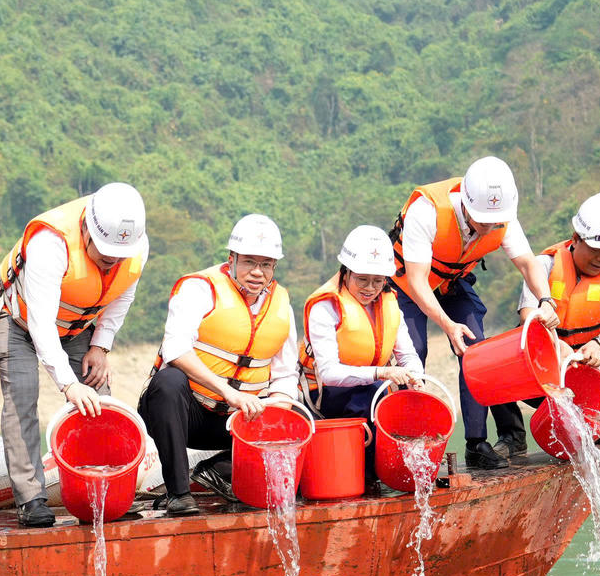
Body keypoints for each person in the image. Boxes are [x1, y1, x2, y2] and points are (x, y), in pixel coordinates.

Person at [0, 182, 148, 528]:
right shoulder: (50, 244)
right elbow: (39, 324)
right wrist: (69, 386)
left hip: (74, 325)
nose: (112, 261)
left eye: (118, 256)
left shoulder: (134, 244)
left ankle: (105, 493)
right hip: (16, 320)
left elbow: (121, 297)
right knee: (23, 395)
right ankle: (31, 499)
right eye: (104, 255)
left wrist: (101, 346)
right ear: (85, 228)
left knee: (98, 395)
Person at [388, 156, 558, 470]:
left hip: (451, 283)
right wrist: (447, 324)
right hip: (407, 285)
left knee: (475, 348)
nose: (491, 228)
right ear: (466, 204)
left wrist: (546, 299)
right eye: (484, 222)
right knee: (412, 354)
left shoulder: (501, 217)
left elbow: (527, 263)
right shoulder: (427, 212)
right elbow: (416, 281)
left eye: (496, 223)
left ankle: (476, 443)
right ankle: (405, 449)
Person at [138, 214, 299, 515]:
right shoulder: (199, 288)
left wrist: (277, 410)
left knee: (297, 427)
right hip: (188, 413)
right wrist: (228, 392)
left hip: (239, 420)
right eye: (249, 261)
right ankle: (179, 494)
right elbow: (175, 349)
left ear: (274, 267)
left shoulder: (282, 306)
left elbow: (286, 373)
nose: (257, 272)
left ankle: (216, 468)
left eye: (266, 264)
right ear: (232, 258)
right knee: (169, 381)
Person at [490, 193, 600, 457]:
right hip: (548, 370)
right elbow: (527, 318)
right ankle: (512, 436)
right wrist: (557, 346)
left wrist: (598, 345)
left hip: (592, 369)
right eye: (596, 250)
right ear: (576, 238)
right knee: (496, 359)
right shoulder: (545, 265)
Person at [299, 224, 423, 418]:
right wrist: (380, 373)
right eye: (362, 279)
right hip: (324, 393)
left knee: (404, 403)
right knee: (373, 394)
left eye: (378, 280)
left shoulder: (389, 304)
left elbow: (407, 355)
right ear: (346, 272)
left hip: (373, 388)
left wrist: (415, 377)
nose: (370, 288)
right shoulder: (325, 307)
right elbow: (329, 373)